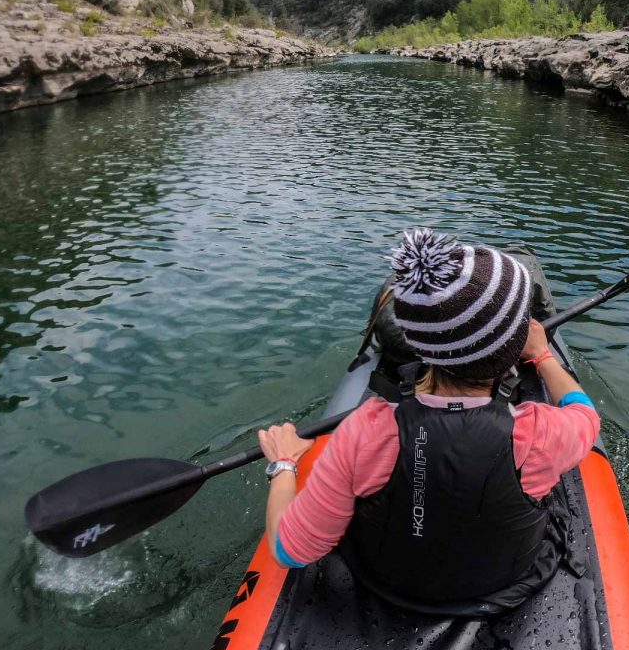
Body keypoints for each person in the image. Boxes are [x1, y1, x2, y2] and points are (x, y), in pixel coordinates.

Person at [256, 228, 600, 609]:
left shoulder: (365, 430)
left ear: (416, 344)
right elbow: (584, 414)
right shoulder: (539, 432)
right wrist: (545, 356)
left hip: (386, 582)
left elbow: (290, 551)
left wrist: (285, 464)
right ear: (512, 350)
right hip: (505, 583)